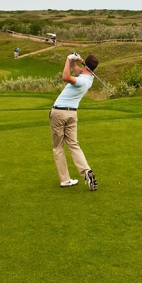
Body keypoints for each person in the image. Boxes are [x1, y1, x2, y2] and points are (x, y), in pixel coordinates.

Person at [49, 53, 99, 190]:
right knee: (73, 145)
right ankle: (86, 171)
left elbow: (65, 77)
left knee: (58, 147)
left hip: (59, 113)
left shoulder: (81, 80)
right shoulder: (89, 79)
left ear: (86, 65)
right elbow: (77, 69)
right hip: (72, 114)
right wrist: (75, 61)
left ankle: (65, 180)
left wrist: (67, 58)